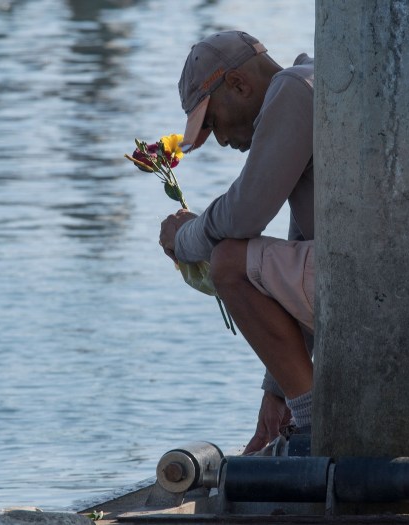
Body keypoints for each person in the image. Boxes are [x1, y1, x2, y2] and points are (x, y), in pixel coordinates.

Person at [158, 30, 315, 454]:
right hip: (364, 273)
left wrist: (184, 238)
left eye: (212, 123)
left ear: (239, 84)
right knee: (241, 256)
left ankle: (317, 431)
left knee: (228, 260)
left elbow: (245, 214)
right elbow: (301, 245)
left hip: (373, 280)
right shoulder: (311, 81)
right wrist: (277, 389)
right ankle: (308, 418)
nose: (223, 141)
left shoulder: (292, 89)